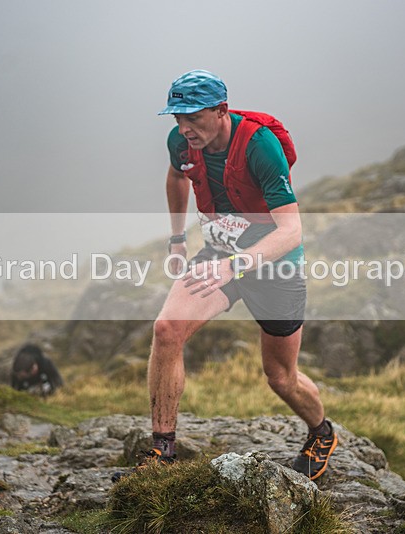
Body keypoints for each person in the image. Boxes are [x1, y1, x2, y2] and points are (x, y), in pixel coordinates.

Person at [141, 69, 338, 481]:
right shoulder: (181, 141)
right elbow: (178, 174)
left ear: (221, 111)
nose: (183, 127)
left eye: (193, 117)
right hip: (218, 254)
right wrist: (178, 238)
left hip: (272, 264)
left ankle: (321, 432)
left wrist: (236, 264)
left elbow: (292, 231)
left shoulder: (260, 147)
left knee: (280, 377)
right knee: (167, 330)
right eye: (177, 117)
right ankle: (162, 452)